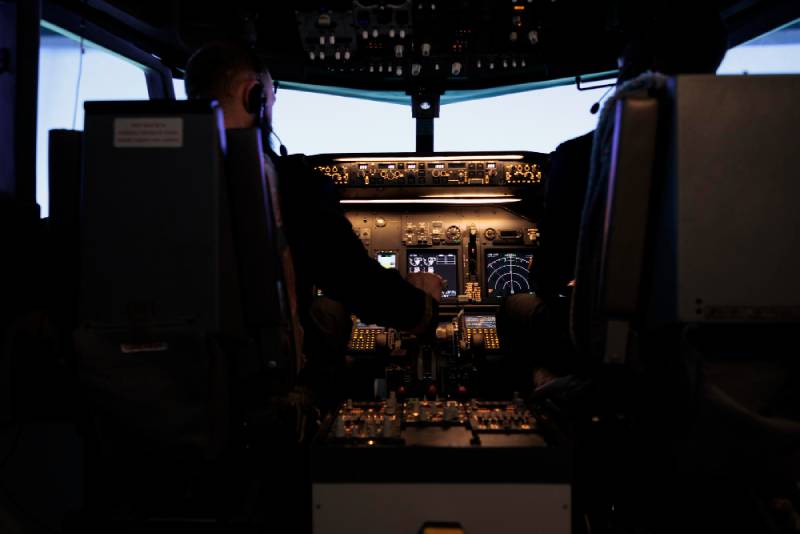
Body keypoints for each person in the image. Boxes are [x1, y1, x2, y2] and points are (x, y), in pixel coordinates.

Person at [183, 41, 443, 398]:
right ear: (253, 95)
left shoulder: (137, 176)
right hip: (263, 386)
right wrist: (423, 309)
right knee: (335, 312)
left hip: (171, 381)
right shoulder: (286, 183)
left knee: (326, 309)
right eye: (271, 98)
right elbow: (354, 280)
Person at [497, 3, 729, 388]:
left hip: (617, 344)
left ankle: (542, 404)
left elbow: (546, 277)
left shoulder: (583, 155)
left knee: (512, 307)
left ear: (634, 58)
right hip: (717, 341)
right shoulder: (754, 147)